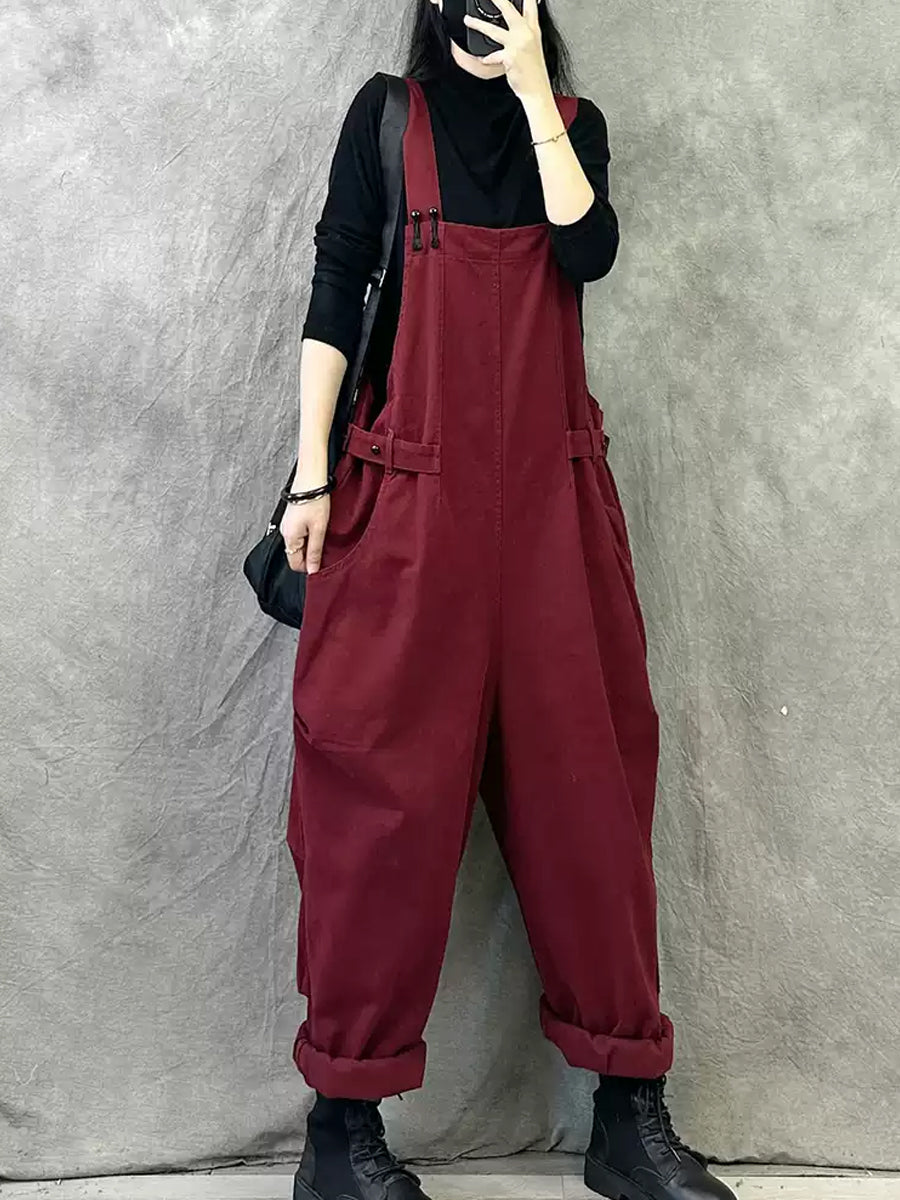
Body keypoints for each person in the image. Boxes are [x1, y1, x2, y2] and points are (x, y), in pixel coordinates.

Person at [280, 3, 736, 1199]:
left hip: (554, 519)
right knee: (375, 812)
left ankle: (628, 1119)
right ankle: (340, 1136)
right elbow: (336, 287)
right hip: (405, 511)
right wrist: (310, 474)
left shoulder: (573, 128)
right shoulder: (388, 121)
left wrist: (536, 93)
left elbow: (588, 252)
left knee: (592, 800)